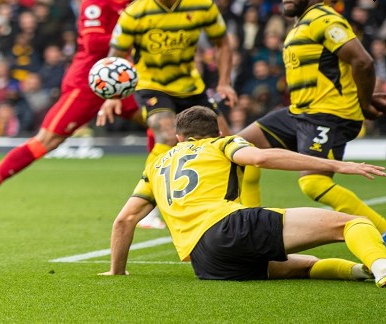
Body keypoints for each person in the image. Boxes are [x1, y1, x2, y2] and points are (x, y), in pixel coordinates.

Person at [103, 106, 386, 286]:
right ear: (217, 132)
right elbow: (259, 158)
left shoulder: (155, 165)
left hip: (206, 261)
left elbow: (124, 220)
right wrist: (337, 165)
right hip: (230, 226)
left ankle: (361, 271)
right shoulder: (222, 143)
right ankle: (382, 267)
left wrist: (117, 270)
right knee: (353, 224)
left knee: (303, 265)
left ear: (179, 137)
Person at [0, 0, 143, 220]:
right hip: (87, 84)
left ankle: (153, 201)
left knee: (160, 124)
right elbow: (94, 43)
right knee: (46, 141)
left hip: (119, 81)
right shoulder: (94, 2)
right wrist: (137, 34)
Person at [238, 0, 386, 233]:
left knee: (313, 184)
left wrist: (363, 103)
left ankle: (383, 230)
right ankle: (252, 228)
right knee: (241, 149)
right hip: (300, 112)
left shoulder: (324, 20)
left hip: (329, 114)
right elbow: (338, 70)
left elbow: (362, 61)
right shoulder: (301, 25)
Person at [97, 0, 238, 229]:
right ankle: (148, 206)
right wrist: (113, 96)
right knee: (165, 133)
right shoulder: (135, 11)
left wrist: (224, 82)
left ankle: (237, 207)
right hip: (151, 85)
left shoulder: (201, 5)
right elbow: (116, 55)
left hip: (191, 86)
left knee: (229, 142)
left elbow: (222, 43)